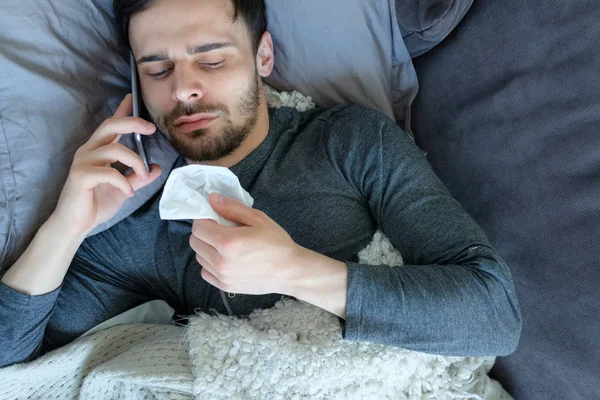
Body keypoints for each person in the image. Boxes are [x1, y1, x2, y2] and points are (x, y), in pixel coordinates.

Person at [0, 0, 521, 368]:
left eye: (211, 59)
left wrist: (295, 270)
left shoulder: (349, 141)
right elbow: (19, 363)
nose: (184, 90)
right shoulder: (137, 223)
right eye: (157, 69)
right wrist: (65, 227)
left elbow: (494, 313)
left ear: (263, 57)